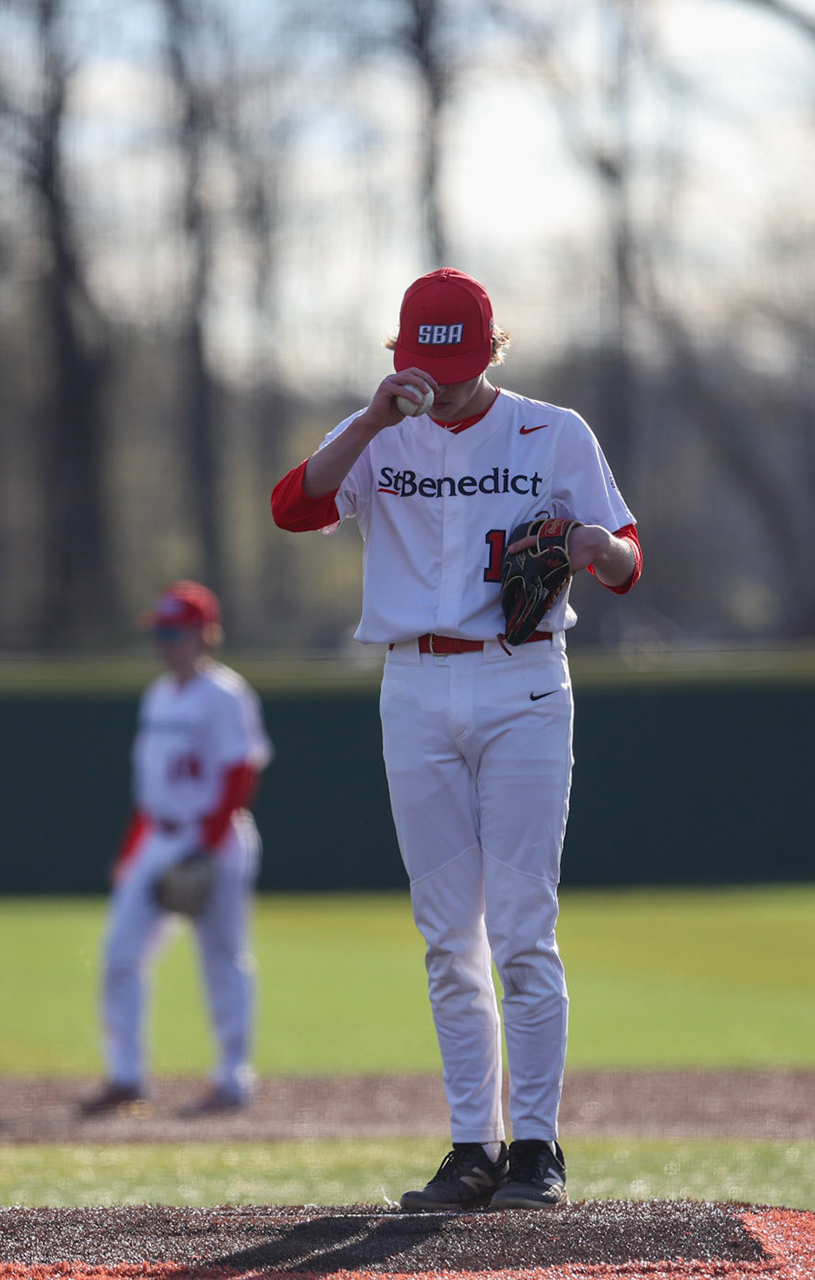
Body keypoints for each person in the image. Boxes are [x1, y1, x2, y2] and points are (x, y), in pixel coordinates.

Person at [269, 269, 641, 1210]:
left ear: (492, 351)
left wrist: (600, 552)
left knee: (522, 929)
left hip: (521, 680)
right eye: (429, 362)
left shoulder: (552, 431)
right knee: (447, 936)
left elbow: (630, 562)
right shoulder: (378, 432)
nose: (447, 380)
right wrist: (367, 423)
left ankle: (538, 1146)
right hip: (414, 683)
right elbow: (294, 506)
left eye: (463, 363)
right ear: (401, 356)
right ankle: (472, 1143)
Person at [77, 581, 272, 1120]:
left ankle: (232, 1080)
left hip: (213, 837)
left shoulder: (227, 694)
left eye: (174, 632)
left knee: (223, 960)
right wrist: (129, 851)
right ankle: (125, 1076)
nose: (163, 643)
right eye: (159, 632)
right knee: (120, 956)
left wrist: (204, 846)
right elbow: (148, 789)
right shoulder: (158, 694)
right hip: (157, 837)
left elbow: (241, 772)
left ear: (204, 635)